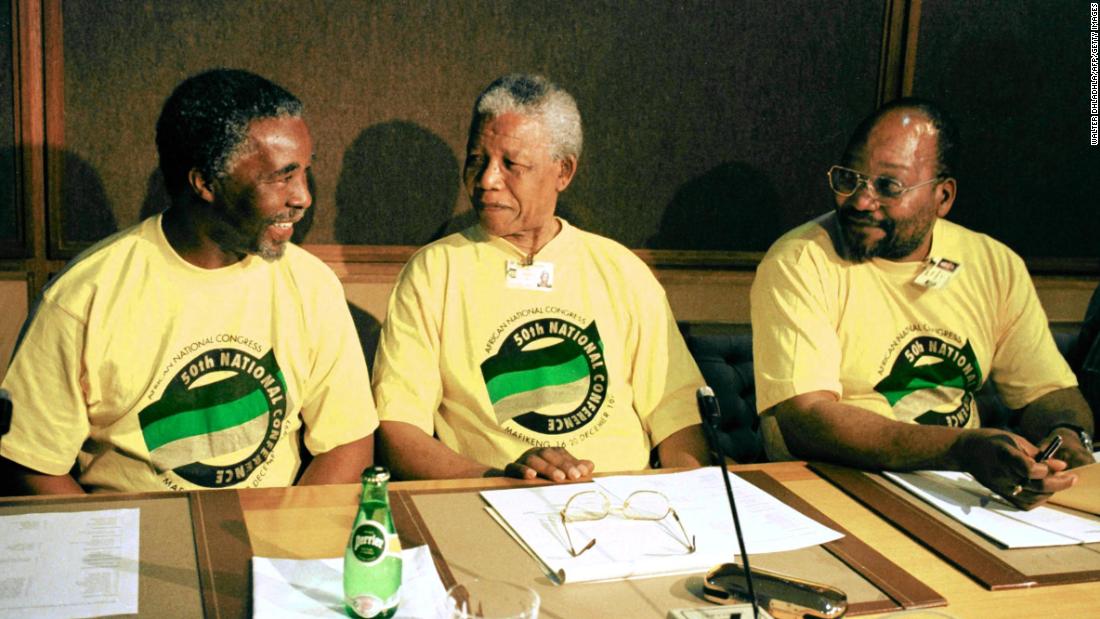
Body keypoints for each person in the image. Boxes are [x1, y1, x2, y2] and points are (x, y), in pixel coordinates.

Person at [0, 69, 377, 494]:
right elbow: (33, 462)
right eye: (281, 177)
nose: (303, 197)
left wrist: (287, 541)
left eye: (305, 172)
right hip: (135, 541)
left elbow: (348, 441)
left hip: (272, 537)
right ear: (205, 183)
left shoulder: (312, 286)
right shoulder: (84, 296)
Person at [751, 98, 1094, 509]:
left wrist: (1069, 441)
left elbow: (1049, 393)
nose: (861, 200)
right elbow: (807, 420)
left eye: (887, 186)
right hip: (837, 490)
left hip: (962, 494)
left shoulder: (994, 264)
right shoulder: (802, 259)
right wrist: (960, 449)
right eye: (849, 179)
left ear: (942, 197)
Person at [372, 73, 709, 482]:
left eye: (510, 164)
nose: (486, 181)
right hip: (486, 500)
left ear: (563, 172)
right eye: (477, 160)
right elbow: (398, 430)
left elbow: (679, 417)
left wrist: (688, 504)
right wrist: (499, 481)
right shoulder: (433, 272)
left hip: (623, 507)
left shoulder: (622, 271)